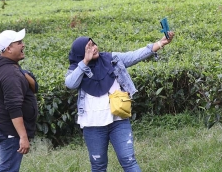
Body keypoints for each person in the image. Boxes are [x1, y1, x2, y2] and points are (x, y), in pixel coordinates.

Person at [65, 31, 175, 172]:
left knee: (129, 161)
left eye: (93, 44)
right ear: (81, 53)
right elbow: (70, 84)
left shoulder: (110, 59)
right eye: (89, 47)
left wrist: (160, 43)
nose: (94, 48)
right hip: (93, 125)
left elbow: (135, 55)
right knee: (98, 166)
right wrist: (85, 62)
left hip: (118, 120)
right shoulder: (77, 69)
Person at [0, 29, 39, 172]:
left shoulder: (8, 67)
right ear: (9, 48)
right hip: (10, 131)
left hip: (6, 128)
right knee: (8, 169)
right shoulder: (10, 74)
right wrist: (23, 136)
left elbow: (33, 86)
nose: (23, 45)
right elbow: (14, 107)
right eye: (19, 43)